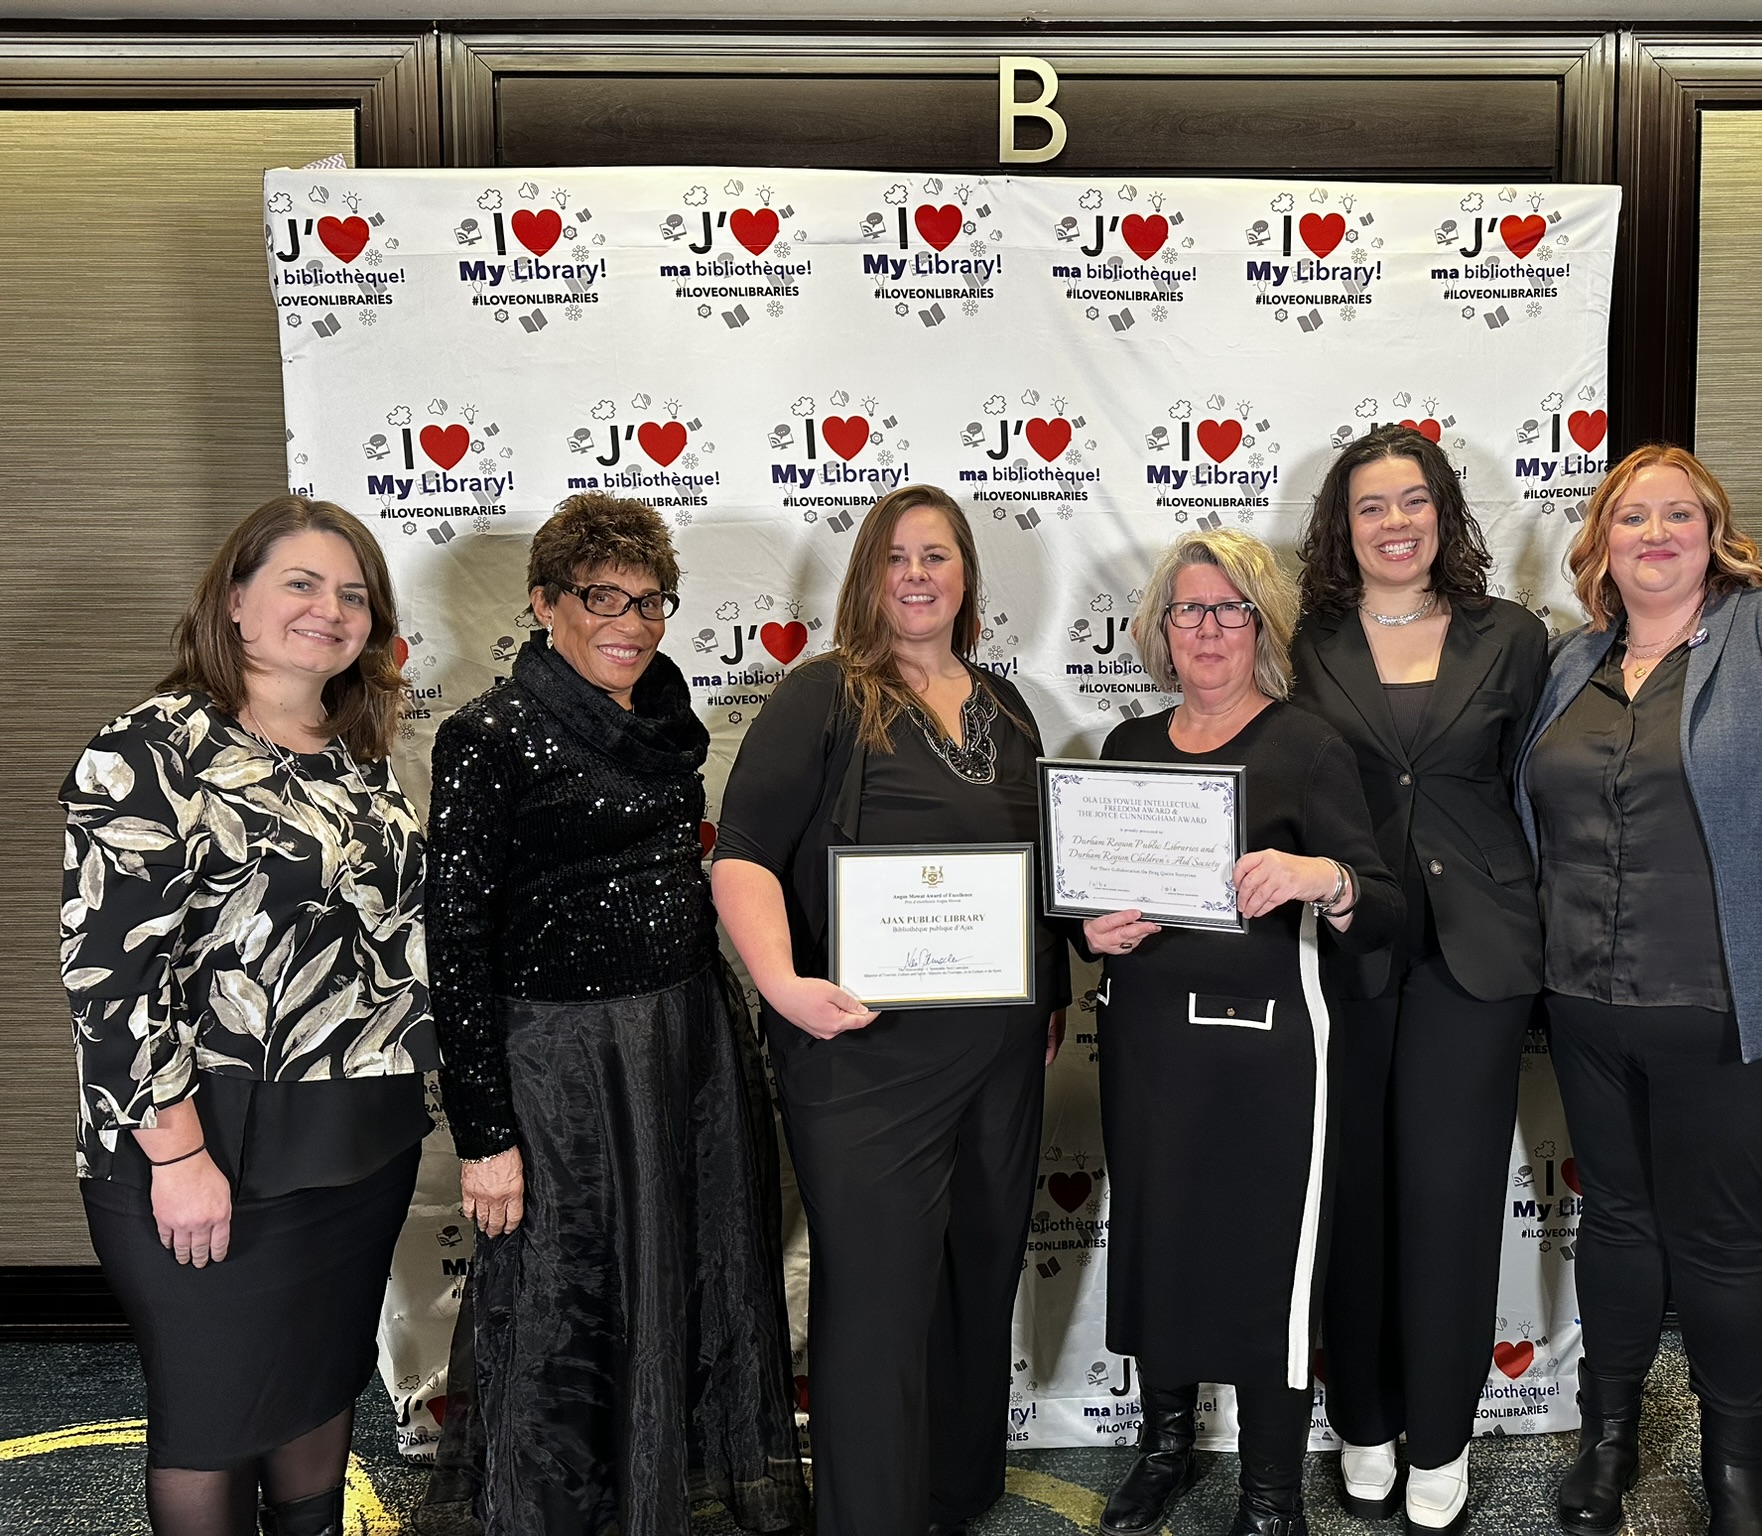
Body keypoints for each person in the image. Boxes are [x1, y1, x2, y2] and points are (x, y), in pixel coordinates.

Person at [1516, 447, 1762, 1536]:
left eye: (1677, 514)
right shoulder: (1571, 661)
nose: (1654, 533)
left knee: (1721, 1240)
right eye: (1631, 517)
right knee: (1616, 1223)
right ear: (1600, 544)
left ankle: (1736, 1468)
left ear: (1713, 533)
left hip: (1734, 1003)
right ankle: (1608, 1440)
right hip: (1585, 1001)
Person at [428, 493, 806, 1536]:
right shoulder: (487, 736)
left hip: (683, 1040)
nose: (630, 623)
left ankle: (655, 1501)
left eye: (649, 601)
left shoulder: (666, 718)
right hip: (561, 1066)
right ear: (545, 603)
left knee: (680, 1283)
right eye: (602, 597)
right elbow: (454, 942)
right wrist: (485, 1137)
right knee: (565, 1302)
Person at [59, 495, 436, 1536]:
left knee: (316, 1396)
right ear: (233, 601)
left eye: (353, 595)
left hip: (359, 1140)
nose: (330, 611)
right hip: (204, 1142)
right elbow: (109, 980)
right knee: (214, 1420)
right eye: (301, 584)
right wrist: (177, 1155)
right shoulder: (151, 748)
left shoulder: (358, 753)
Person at [711, 485, 1070, 1536]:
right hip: (863, 1054)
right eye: (896, 557)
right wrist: (782, 985)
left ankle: (952, 1495)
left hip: (1001, 1053)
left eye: (937, 556)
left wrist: (1050, 992)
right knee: (876, 1299)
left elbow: (1037, 868)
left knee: (976, 1275)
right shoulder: (821, 694)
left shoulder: (1006, 705)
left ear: (966, 577)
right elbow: (742, 857)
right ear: (869, 576)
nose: (916, 575)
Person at [1084, 529, 1403, 1536]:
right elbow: (1090, 901)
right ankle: (1165, 1450)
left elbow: (1384, 907)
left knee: (1271, 1267)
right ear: (1160, 628)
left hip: (1269, 1056)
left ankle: (1271, 1496)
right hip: (1147, 1050)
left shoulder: (1307, 746)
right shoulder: (1126, 748)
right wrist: (1089, 930)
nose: (1209, 629)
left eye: (1231, 610)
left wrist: (1322, 877)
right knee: (1157, 1247)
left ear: (1262, 627)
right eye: (1190, 610)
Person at [1290, 425, 1549, 1532]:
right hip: (1345, 945)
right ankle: (1364, 1420)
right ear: (1341, 527)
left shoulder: (1513, 635)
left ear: (1442, 512)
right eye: (1370, 505)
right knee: (1351, 1194)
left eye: (1412, 501)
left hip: (1474, 954)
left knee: (1449, 1200)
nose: (1393, 523)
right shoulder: (1303, 640)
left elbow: (1536, 783)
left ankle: (1440, 1434)